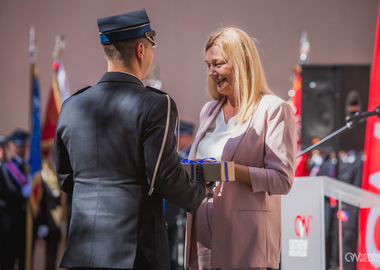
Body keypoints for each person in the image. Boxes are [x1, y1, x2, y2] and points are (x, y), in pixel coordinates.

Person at [54, 9, 206, 270]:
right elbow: (164, 176)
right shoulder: (157, 104)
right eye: (151, 48)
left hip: (80, 254)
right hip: (135, 255)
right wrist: (200, 191)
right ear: (140, 50)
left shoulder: (71, 106)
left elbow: (67, 180)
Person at [185, 27, 297, 270]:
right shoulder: (209, 111)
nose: (211, 72)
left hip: (246, 242)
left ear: (243, 62)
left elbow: (282, 180)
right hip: (203, 240)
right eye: (208, 65)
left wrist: (230, 171)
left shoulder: (274, 110)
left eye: (218, 64)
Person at [0, 130, 30, 270]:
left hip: (25, 222)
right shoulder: (5, 168)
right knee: (8, 262)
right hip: (8, 224)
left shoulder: (28, 167)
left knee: (25, 261)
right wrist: (21, 194)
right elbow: (3, 193)